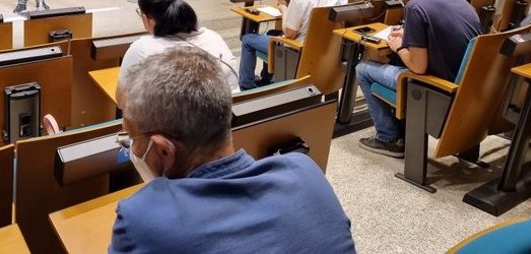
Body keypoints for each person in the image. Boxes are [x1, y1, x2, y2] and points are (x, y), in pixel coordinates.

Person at [111, 47, 356, 254]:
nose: (132, 147)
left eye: (131, 138)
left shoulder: (141, 220)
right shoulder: (305, 172)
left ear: (164, 151)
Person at [355, 0, 480, 157]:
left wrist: (400, 47)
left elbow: (418, 67)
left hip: (437, 88)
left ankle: (388, 137)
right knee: (395, 62)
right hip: (468, 87)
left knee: (362, 70)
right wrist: (410, 36)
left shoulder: (414, 6)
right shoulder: (458, 0)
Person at [238, 0, 348, 90]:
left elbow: (290, 34)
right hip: (328, 48)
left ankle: (246, 87)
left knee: (248, 39)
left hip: (298, 50)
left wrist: (284, 10)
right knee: (272, 31)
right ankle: (266, 80)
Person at [120, 0, 239, 92]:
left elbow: (122, 100)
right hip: (236, 111)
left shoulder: (142, 49)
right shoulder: (212, 37)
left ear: (146, 18)